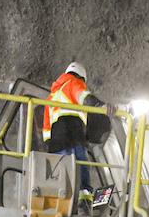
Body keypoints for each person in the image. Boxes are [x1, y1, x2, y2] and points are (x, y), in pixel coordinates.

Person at [41, 61, 116, 206]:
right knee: (81, 168)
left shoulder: (52, 97)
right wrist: (101, 106)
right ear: (81, 77)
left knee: (62, 177)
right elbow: (84, 97)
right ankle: (84, 202)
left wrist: (52, 145)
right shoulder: (72, 82)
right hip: (72, 135)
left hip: (56, 144)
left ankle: (65, 202)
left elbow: (46, 130)